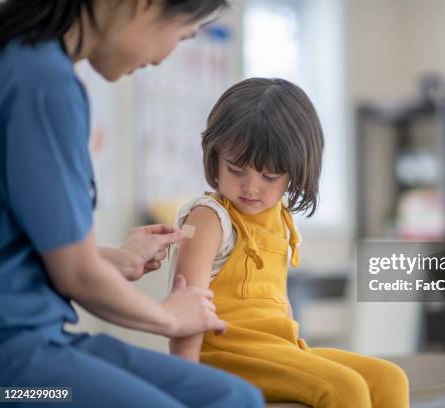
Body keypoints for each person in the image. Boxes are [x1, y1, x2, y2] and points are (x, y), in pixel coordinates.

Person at [0, 1, 264, 406]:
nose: (162, 58)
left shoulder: (29, 64)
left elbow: (29, 251)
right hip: (13, 369)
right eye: (182, 35)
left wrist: (111, 257)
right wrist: (173, 317)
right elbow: (77, 276)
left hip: (39, 338)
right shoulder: (43, 83)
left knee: (235, 397)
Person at [168, 77, 410, 407]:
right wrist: (186, 379)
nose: (250, 187)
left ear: (295, 172)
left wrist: (298, 353)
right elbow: (185, 305)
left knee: (389, 378)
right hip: (224, 354)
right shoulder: (209, 218)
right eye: (236, 170)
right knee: (345, 388)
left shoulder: (278, 215)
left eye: (269, 177)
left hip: (277, 348)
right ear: (214, 156)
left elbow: (277, 299)